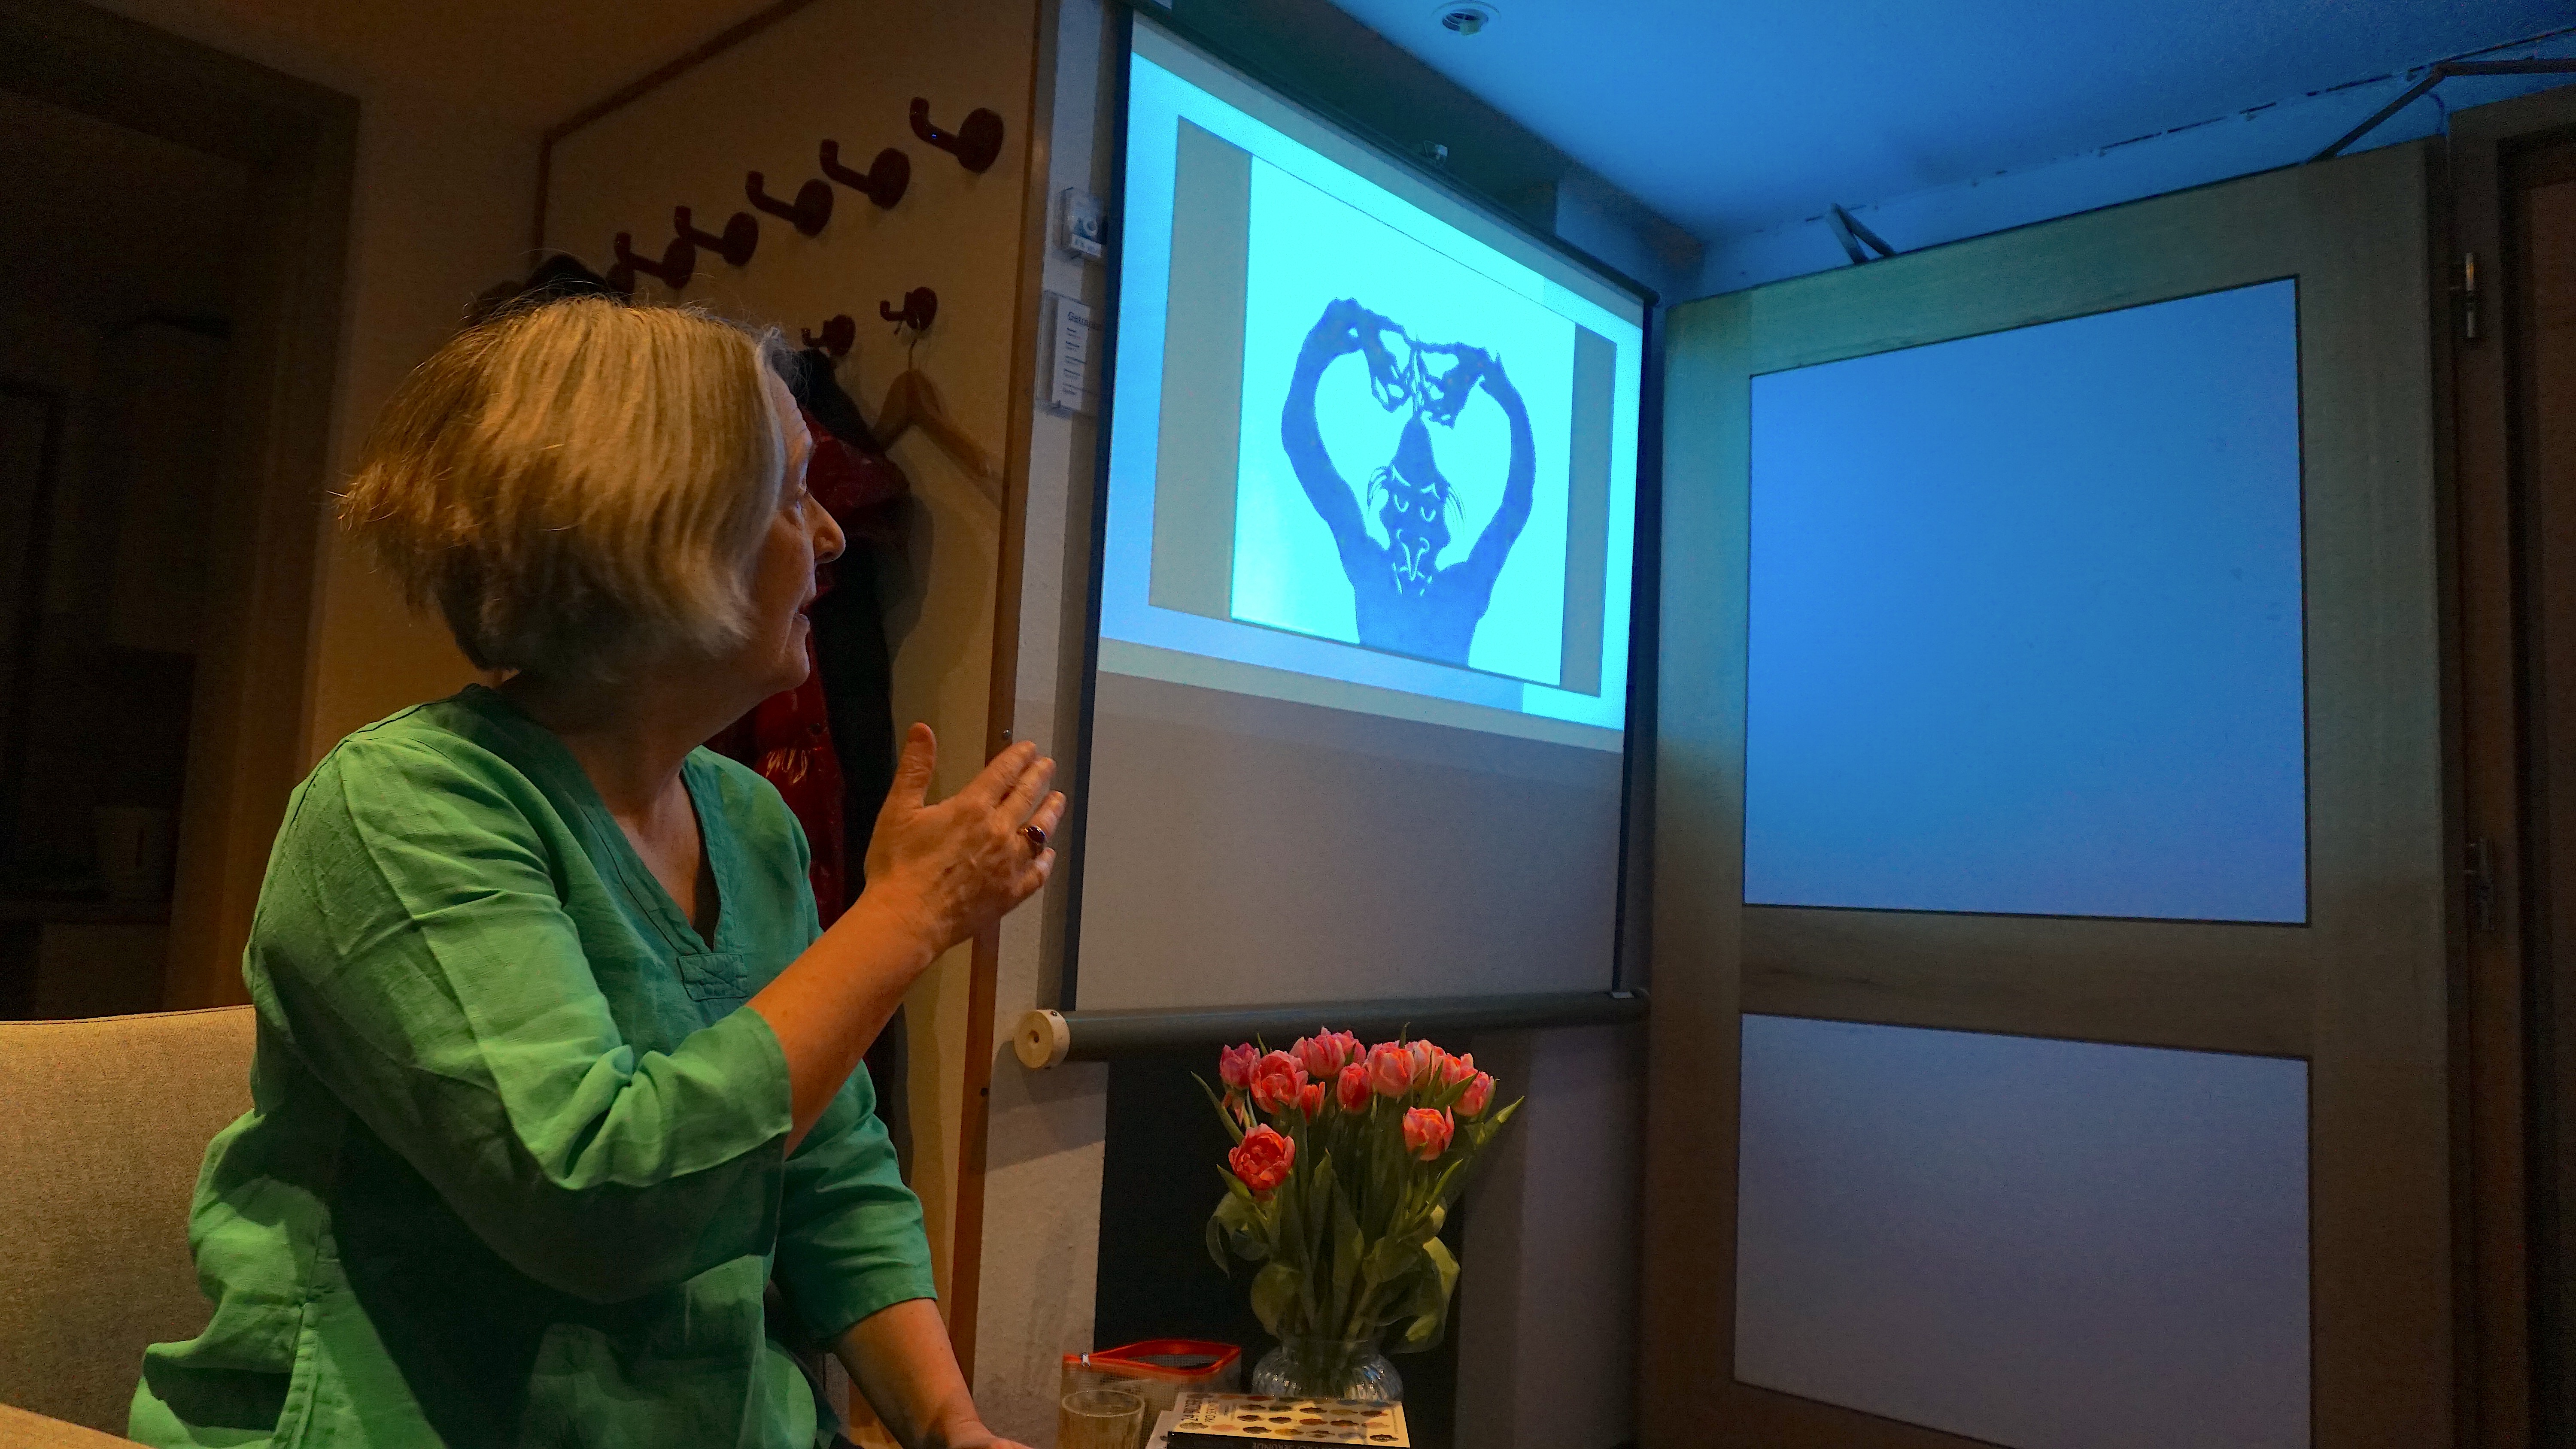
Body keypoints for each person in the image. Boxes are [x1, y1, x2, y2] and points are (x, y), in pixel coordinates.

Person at [129, 296, 1060, 1449]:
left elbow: (825, 1170)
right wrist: (904, 919)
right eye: (789, 496)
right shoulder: (403, 807)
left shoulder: (751, 822)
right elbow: (595, 1200)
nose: (829, 537)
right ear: (663, 535)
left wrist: (951, 1426)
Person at [1280, 297, 1534, 668]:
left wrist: (1315, 356)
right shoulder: (1447, 588)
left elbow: (1303, 450)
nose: (1415, 520)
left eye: (1423, 507)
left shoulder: (1378, 572)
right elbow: (1516, 506)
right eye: (1405, 501)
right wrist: (1512, 406)